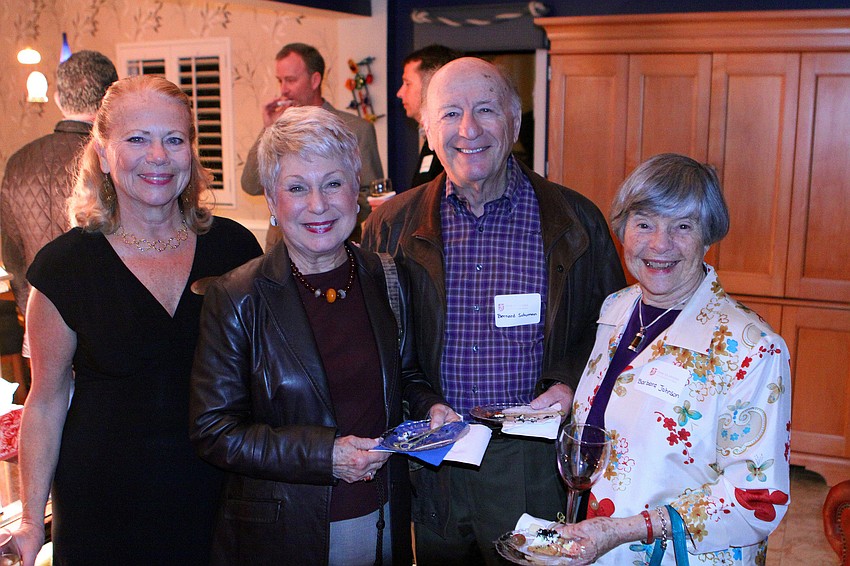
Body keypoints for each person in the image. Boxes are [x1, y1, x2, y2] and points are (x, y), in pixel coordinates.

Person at [361, 57, 626, 565]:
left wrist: (569, 382)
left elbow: (613, 329)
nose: (469, 129)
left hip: (533, 463)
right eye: (450, 113)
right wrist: (420, 404)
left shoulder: (576, 221)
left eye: (486, 109)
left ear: (514, 122)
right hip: (433, 457)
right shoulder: (389, 227)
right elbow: (377, 342)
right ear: (427, 130)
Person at [9, 75, 263, 566]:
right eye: (137, 139)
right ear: (103, 154)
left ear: (191, 152)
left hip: (222, 500)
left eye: (174, 139)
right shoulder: (63, 268)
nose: (158, 156)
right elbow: (45, 401)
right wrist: (30, 522)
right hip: (103, 511)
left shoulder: (234, 249)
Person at [189, 106, 456, 566]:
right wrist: (324, 456)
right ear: (272, 201)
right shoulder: (237, 297)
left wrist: (431, 407)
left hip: (385, 518)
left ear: (356, 192)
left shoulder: (388, 276)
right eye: (297, 188)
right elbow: (214, 431)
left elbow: (406, 375)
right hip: (286, 533)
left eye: (333, 183)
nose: (318, 204)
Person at [556, 153, 791, 565]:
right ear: (623, 229)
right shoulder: (616, 308)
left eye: (683, 226)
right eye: (644, 223)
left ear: (708, 237)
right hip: (597, 548)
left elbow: (756, 501)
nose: (659, 244)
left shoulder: (752, 347)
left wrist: (628, 528)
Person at [0, 50, 117, 329]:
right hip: (106, 321)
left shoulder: (18, 162)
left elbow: (12, 253)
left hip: (40, 317)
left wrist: (28, 310)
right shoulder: (116, 158)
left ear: (57, 99)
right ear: (111, 97)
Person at [241, 42, 383, 246]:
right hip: (282, 249)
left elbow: (370, 194)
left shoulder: (356, 129)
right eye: (280, 81)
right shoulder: (278, 128)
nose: (283, 90)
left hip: (337, 244)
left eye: (291, 80)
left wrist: (330, 212)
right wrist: (268, 128)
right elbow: (250, 185)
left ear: (315, 80)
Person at [396, 44, 460, 191]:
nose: (400, 93)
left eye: (407, 83)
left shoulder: (454, 140)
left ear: (431, 85)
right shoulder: (429, 135)